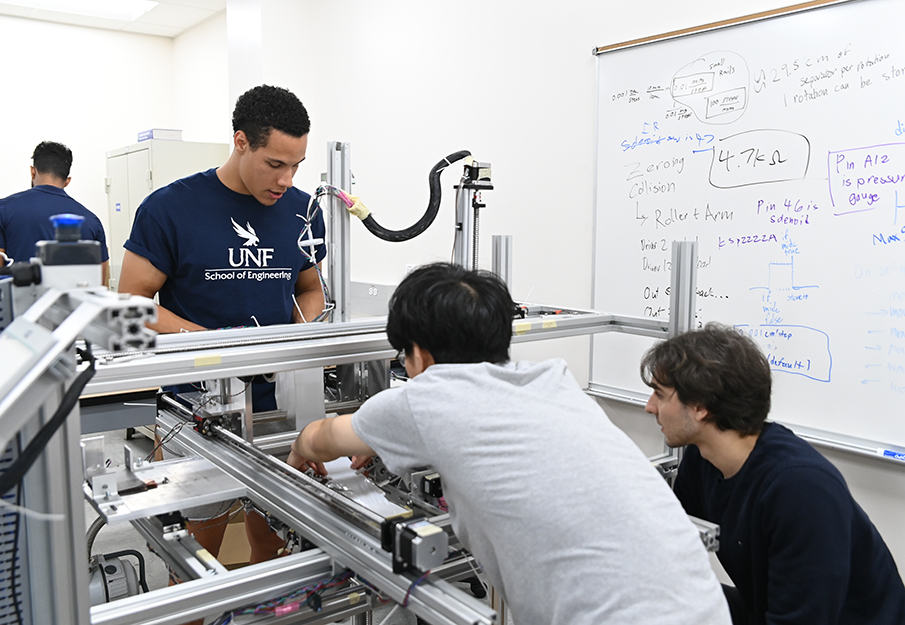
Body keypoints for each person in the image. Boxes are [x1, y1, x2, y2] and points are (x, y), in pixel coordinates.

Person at [289, 262, 731, 625]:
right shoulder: (554, 382)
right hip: (705, 608)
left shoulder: (428, 400)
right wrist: (388, 436)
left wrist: (296, 452)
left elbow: (321, 437)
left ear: (418, 353)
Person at [118, 85, 327, 586]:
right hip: (196, 411)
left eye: (296, 165)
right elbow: (131, 306)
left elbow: (311, 288)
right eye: (275, 163)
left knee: (276, 541)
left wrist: (295, 342)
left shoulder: (302, 210)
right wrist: (215, 343)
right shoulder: (170, 208)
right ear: (240, 142)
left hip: (277, 404)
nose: (286, 179)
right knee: (194, 562)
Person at [641, 323, 905, 625]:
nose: (650, 407)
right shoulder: (702, 459)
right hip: (770, 608)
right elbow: (674, 547)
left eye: (660, 395)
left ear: (700, 406)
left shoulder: (801, 488)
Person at [0, 141, 109, 283]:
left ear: (33, 171)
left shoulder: (4, 209)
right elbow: (98, 283)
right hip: (75, 305)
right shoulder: (91, 221)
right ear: (67, 181)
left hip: (22, 303)